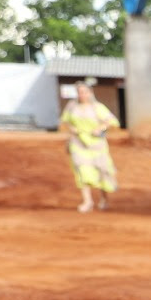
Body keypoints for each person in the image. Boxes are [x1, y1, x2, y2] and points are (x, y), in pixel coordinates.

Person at [60, 80, 118, 213]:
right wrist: (72, 129)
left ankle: (104, 199)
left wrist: (100, 128)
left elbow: (112, 121)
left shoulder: (97, 107)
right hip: (78, 143)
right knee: (82, 170)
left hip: (97, 145)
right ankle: (87, 201)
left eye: (84, 92)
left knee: (102, 171)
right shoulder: (72, 107)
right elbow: (65, 121)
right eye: (79, 92)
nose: (82, 95)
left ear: (90, 93)